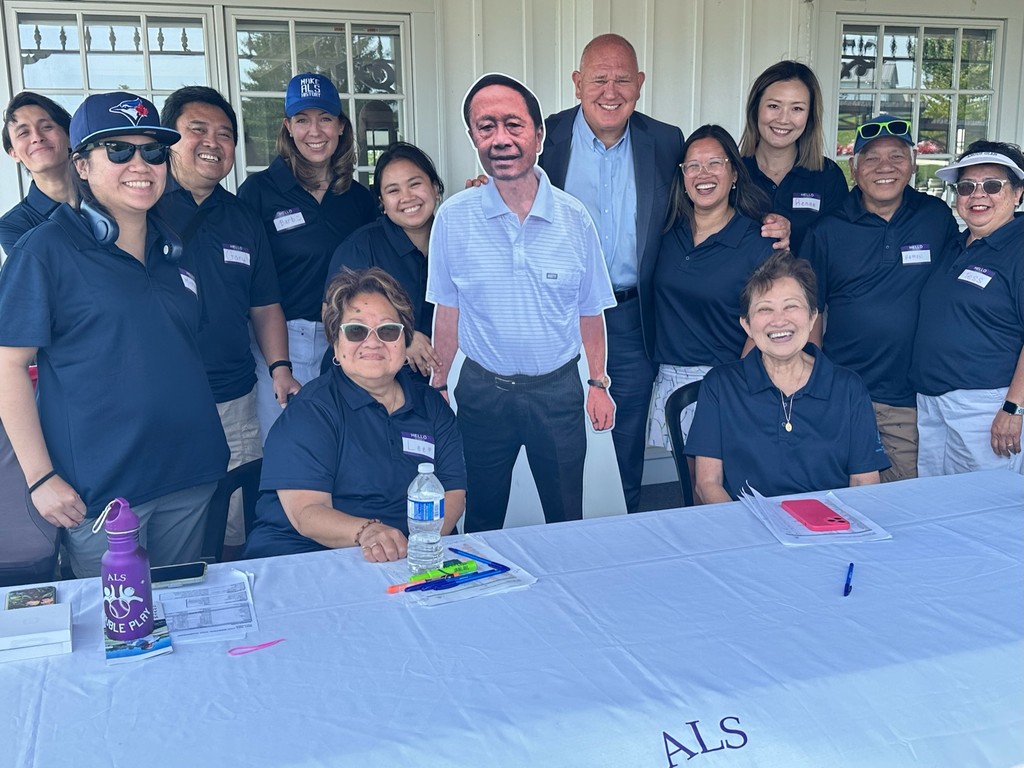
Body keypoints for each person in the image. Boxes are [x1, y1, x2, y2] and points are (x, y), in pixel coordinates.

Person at [0, 92, 228, 577]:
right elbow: (9, 365)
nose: (139, 164)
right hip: (103, 494)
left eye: (152, 151)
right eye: (119, 150)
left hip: (190, 476)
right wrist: (40, 477)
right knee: (120, 633)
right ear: (81, 165)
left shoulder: (175, 246)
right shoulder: (44, 250)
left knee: (183, 624)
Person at [427, 73, 616, 532]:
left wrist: (597, 382)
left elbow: (590, 311)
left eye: (513, 125)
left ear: (538, 134)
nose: (501, 139)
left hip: (556, 392)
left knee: (566, 515)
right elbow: (446, 309)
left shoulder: (574, 220)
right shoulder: (454, 217)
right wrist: (437, 384)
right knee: (481, 515)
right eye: (485, 127)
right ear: (473, 136)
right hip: (482, 393)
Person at [538, 33, 684, 514]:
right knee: (553, 432)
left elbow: (703, 200)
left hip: (627, 318)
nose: (610, 90)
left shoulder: (665, 142)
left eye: (623, 79)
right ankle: (559, 535)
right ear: (578, 83)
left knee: (624, 438)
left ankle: (622, 536)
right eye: (599, 79)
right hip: (553, 316)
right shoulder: (543, 138)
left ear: (640, 84)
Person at [158, 86, 299, 554]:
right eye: (196, 129)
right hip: (160, 403)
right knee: (166, 520)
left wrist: (280, 368)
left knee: (233, 523)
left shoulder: (241, 217)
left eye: (224, 135)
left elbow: (264, 305)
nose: (212, 142)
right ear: (167, 138)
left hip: (233, 397)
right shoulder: (143, 208)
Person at [244, 268, 466, 561]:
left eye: (387, 330)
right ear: (336, 343)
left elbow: (453, 492)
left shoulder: (432, 407)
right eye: (356, 330)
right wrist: (368, 533)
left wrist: (420, 549)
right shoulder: (311, 411)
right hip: (306, 556)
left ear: (404, 341)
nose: (372, 342)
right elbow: (307, 513)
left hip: (402, 559)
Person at [804, 114, 959, 482]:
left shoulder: (936, 218)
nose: (884, 167)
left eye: (897, 156)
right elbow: (809, 311)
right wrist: (813, 385)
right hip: (842, 393)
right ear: (854, 170)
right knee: (834, 495)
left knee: (900, 504)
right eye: (871, 158)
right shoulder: (828, 229)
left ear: (913, 165)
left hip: (908, 399)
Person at [238, 72, 378, 441]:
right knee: (287, 448)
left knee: (346, 444)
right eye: (302, 120)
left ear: (341, 127)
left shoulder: (359, 199)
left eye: (325, 119)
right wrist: (278, 364)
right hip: (282, 342)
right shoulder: (259, 192)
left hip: (350, 339)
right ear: (288, 127)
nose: (314, 131)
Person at [686, 252, 889, 502]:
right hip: (747, 528)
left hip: (829, 529)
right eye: (765, 309)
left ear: (813, 316)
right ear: (747, 325)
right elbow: (707, 484)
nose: (779, 320)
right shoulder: (720, 385)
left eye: (791, 306)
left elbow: (864, 483)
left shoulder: (848, 388)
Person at [647, 124, 774, 452]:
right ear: (683, 176)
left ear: (733, 173)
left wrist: (736, 387)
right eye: (693, 165)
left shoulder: (756, 241)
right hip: (668, 380)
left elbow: (766, 323)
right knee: (687, 489)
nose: (703, 174)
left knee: (714, 488)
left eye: (715, 163)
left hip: (724, 381)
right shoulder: (664, 232)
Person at [909, 141, 1024, 476]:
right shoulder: (958, 243)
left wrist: (1013, 408)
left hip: (986, 407)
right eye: (966, 187)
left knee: (982, 511)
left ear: (1017, 193)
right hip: (933, 401)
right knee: (937, 505)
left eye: (992, 186)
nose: (978, 195)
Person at [324, 142, 443, 382]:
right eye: (393, 190)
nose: (407, 198)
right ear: (382, 202)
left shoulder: (456, 237)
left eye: (415, 184)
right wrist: (403, 339)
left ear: (435, 188)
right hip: (367, 383)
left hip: (439, 382)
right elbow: (332, 316)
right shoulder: (361, 247)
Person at [739, 61, 849, 255]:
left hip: (809, 286)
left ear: (810, 116)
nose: (783, 119)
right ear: (755, 109)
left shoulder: (828, 177)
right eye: (773, 105)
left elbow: (839, 253)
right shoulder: (733, 173)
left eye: (797, 109)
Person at [1, 92, 74, 255]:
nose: (37, 137)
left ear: (69, 137)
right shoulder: (14, 225)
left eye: (47, 127)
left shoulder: (109, 196)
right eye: (23, 133)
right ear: (13, 153)